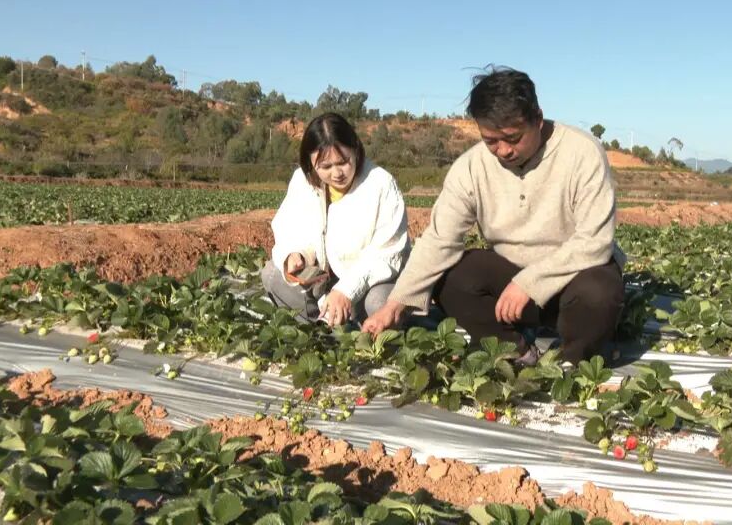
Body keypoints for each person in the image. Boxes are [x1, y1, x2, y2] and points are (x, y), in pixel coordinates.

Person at [363, 68, 625, 365]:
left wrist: (529, 283)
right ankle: (515, 349)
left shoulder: (581, 153)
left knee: (600, 292)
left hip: (573, 280)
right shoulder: (471, 167)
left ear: (538, 119)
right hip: (511, 281)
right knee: (451, 276)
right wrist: (396, 304)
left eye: (512, 138)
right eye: (491, 141)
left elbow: (595, 242)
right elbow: (439, 241)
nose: (503, 151)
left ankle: (573, 358)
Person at [262, 112, 410, 327]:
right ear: (311, 163)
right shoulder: (303, 181)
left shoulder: (381, 184)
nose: (337, 173)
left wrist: (346, 290)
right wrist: (295, 254)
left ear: (356, 150)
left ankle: (366, 332)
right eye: (325, 167)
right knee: (272, 275)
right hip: (325, 279)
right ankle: (319, 329)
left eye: (343, 162)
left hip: (372, 281)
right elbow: (288, 225)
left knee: (378, 302)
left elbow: (387, 253)